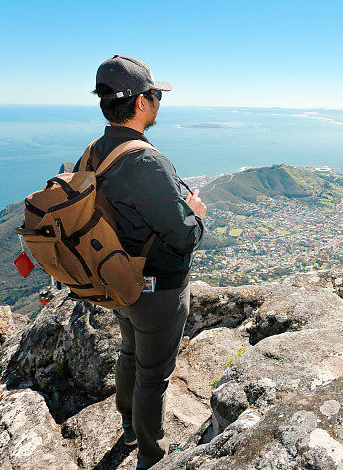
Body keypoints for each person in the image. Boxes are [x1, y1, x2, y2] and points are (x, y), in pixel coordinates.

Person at [80, 55, 206, 469]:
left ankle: (130, 427)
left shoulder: (97, 150)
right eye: (155, 94)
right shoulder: (145, 161)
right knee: (153, 373)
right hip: (156, 288)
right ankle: (151, 456)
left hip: (119, 279)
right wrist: (197, 214)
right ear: (140, 103)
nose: (158, 101)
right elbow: (183, 235)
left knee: (131, 353)